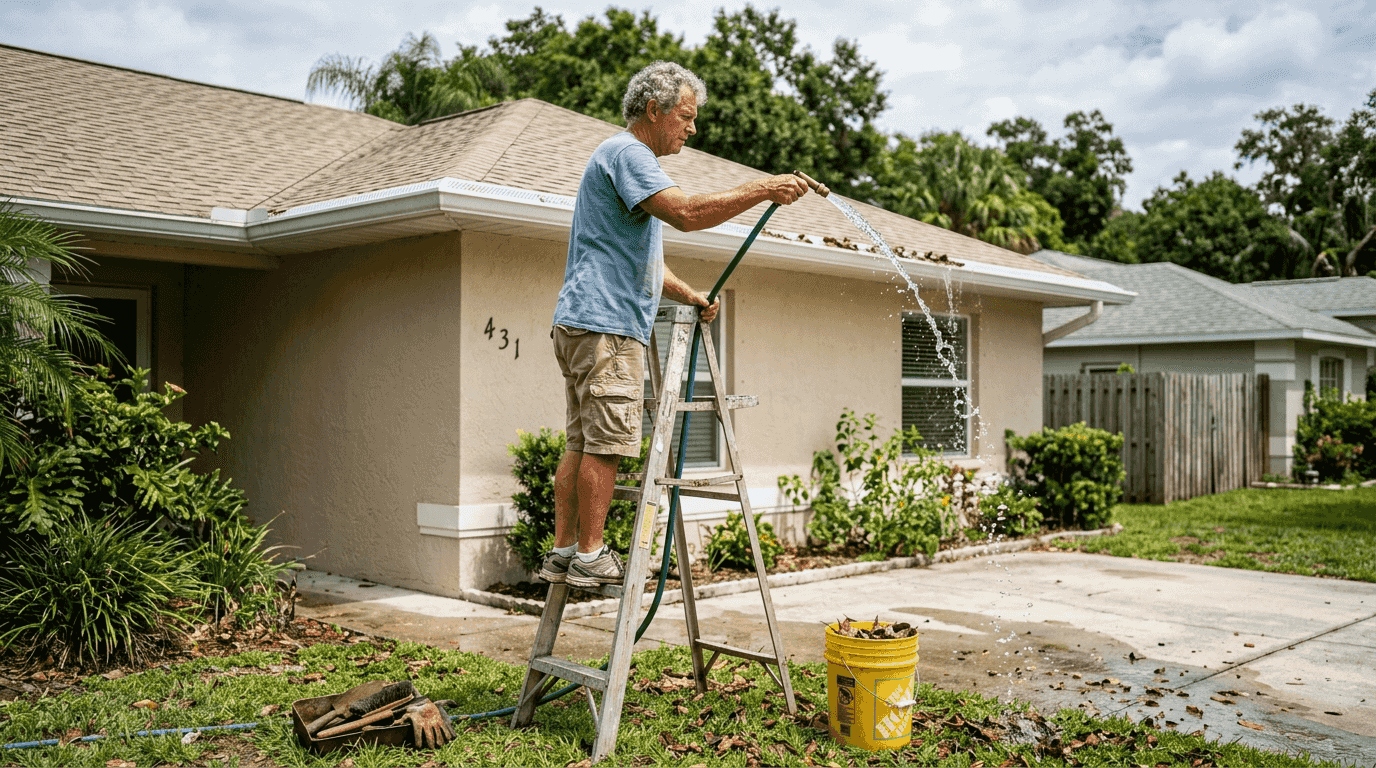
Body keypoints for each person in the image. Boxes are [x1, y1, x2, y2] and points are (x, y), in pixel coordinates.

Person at [543, 61, 810, 589]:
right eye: (685, 116)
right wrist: (763, 189)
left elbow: (640, 262)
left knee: (579, 442)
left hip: (579, 322)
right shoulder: (628, 153)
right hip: (608, 328)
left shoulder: (615, 161)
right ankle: (592, 555)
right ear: (653, 110)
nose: (692, 128)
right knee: (605, 445)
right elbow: (687, 213)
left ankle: (565, 550)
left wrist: (690, 295)